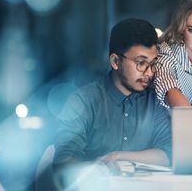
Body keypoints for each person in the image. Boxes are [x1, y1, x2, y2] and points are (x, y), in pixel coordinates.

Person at [53, 18, 171, 182]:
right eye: (141, 63)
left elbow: (169, 153)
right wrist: (95, 171)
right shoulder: (84, 101)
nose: (150, 73)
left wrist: (119, 157)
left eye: (153, 64)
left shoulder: (155, 101)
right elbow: (64, 159)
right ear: (115, 62)